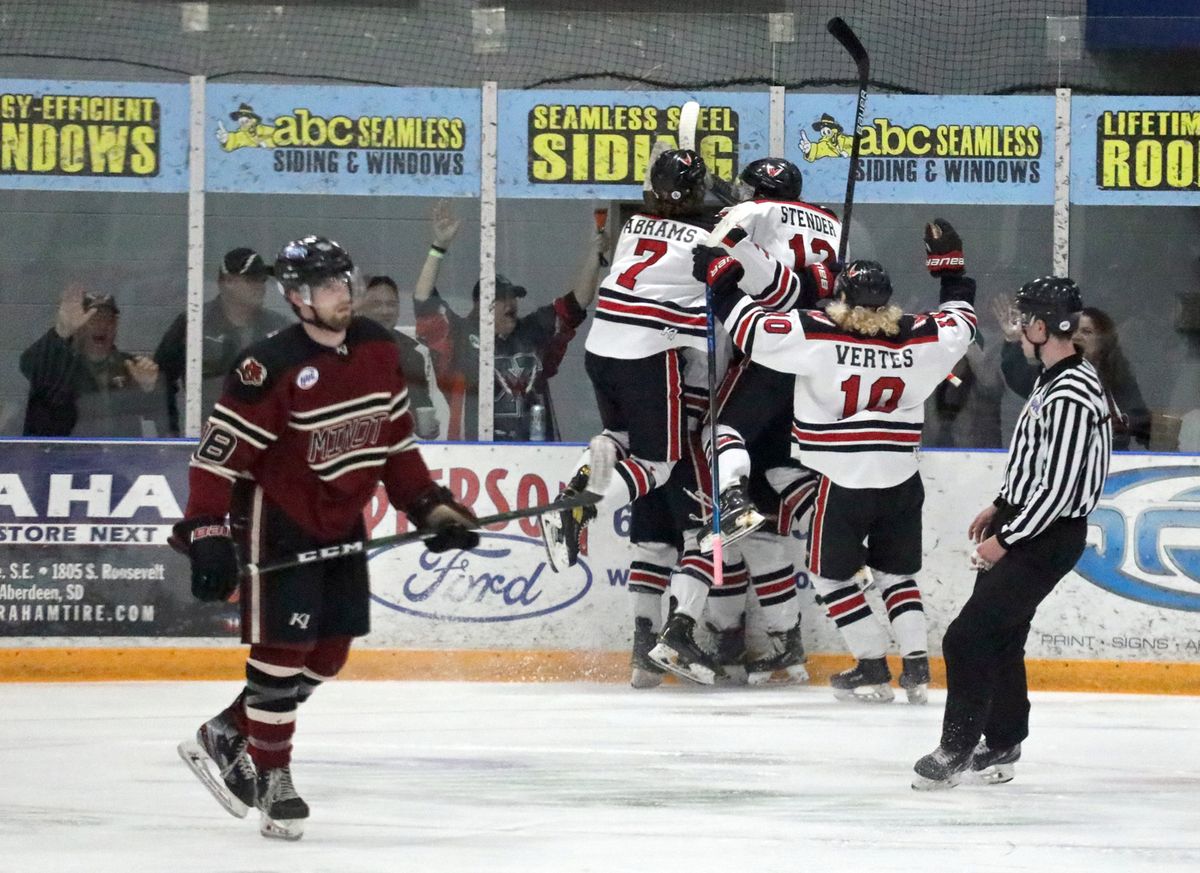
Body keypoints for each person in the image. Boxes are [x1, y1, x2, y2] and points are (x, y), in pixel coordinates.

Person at [174, 235, 478, 840]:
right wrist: (208, 533)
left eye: (347, 280)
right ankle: (273, 777)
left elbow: (394, 444)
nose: (346, 293)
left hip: (341, 521)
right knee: (282, 659)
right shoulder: (268, 366)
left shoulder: (376, 348)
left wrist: (431, 509)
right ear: (298, 298)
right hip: (277, 523)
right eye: (331, 286)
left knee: (329, 653)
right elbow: (216, 462)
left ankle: (230, 729)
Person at [700, 219, 978, 705]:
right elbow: (962, 321)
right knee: (898, 576)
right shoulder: (919, 336)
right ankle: (915, 668)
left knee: (831, 578)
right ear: (888, 299)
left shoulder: (817, 332)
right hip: (902, 480)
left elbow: (751, 329)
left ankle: (871, 666)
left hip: (841, 482)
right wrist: (950, 267)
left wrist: (720, 274)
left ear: (842, 298)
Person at [912, 276, 1112, 790]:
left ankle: (957, 748)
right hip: (1028, 523)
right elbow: (1039, 465)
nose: (1021, 328)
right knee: (1001, 636)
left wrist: (1008, 536)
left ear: (1043, 326)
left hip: (1043, 535)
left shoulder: (1071, 392)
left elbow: (1061, 489)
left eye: (1026, 320)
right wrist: (1002, 505)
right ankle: (1002, 740)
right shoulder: (1054, 377)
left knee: (967, 636)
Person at [541, 149, 718, 682]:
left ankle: (586, 476)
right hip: (649, 356)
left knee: (619, 436)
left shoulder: (636, 226)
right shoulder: (709, 241)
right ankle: (579, 507)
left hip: (602, 350)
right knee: (660, 466)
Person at [413, 200, 607, 440]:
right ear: (481, 306)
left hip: (537, 452)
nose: (511, 304)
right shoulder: (460, 335)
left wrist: (595, 254)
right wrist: (439, 246)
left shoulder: (533, 330)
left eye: (513, 297)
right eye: (501, 299)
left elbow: (578, 302)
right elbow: (423, 300)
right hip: (474, 454)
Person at [154, 247, 289, 436]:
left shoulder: (279, 328)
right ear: (226, 282)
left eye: (262, 280)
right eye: (251, 280)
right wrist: (172, 433)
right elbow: (161, 380)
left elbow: (299, 384)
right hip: (208, 439)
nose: (260, 286)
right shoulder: (194, 323)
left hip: (265, 441)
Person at [20, 284, 160, 436]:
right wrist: (61, 332)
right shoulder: (59, 363)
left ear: (116, 325)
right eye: (93, 319)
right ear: (79, 325)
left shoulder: (131, 367)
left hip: (120, 457)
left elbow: (158, 418)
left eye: (108, 320)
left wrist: (148, 389)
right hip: (66, 456)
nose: (102, 325)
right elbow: (29, 367)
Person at [356, 274, 439, 438]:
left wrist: (429, 429)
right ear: (361, 307)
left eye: (391, 304)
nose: (385, 311)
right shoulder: (342, 348)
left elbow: (421, 406)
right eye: (376, 304)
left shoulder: (412, 352)